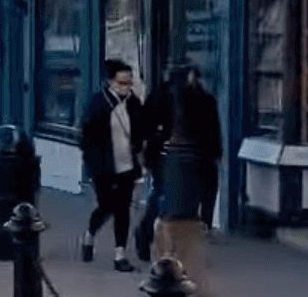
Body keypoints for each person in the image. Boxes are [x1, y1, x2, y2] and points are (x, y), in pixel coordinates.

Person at [138, 63, 223, 263]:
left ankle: (177, 245)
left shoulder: (201, 99)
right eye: (192, 76)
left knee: (177, 200)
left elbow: (211, 129)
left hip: (194, 158)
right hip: (169, 158)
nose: (195, 80)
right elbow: (148, 127)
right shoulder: (164, 98)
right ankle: (153, 238)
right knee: (163, 199)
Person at [76, 59, 153, 272]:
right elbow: (86, 138)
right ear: (110, 81)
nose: (126, 86)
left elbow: (142, 129)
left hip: (127, 166)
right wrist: (95, 165)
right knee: (106, 206)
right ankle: (89, 235)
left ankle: (120, 254)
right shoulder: (97, 104)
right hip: (104, 168)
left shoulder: (134, 103)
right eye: (122, 81)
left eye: (129, 81)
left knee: (122, 209)